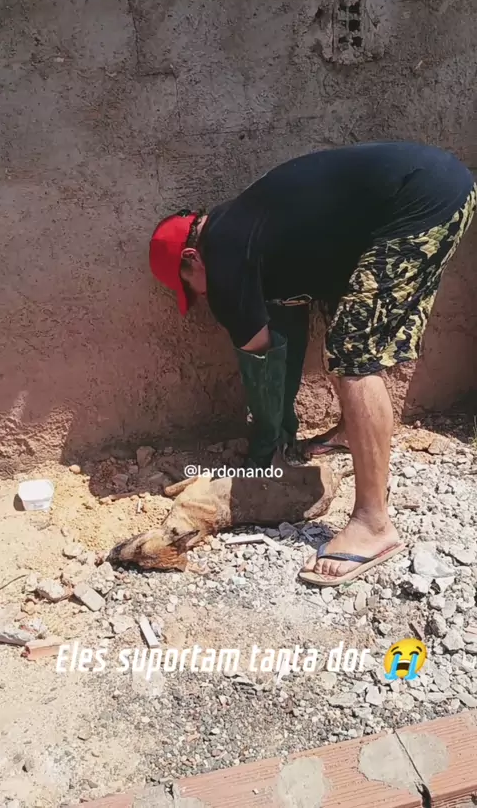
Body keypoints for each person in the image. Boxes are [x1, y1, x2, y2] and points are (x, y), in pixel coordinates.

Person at [148, 141, 476, 586]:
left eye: (191, 287)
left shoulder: (222, 251)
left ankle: (373, 524)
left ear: (191, 258)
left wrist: (266, 447)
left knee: (353, 357)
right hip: (437, 186)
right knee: (353, 332)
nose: (201, 297)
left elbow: (259, 348)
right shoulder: (243, 224)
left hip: (418, 201)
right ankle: (350, 432)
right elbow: (291, 297)